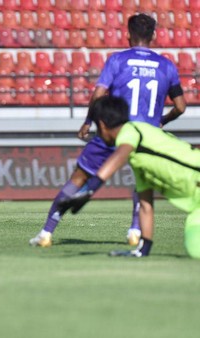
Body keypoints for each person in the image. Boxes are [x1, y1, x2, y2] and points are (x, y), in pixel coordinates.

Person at [30, 13, 186, 248]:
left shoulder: (117, 60)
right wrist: (162, 121)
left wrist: (88, 121)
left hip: (116, 131)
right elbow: (181, 106)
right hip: (148, 135)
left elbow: (99, 94)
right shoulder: (167, 65)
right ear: (154, 35)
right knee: (143, 185)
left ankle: (46, 233)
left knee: (79, 178)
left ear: (127, 35)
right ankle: (135, 231)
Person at [58, 95, 200, 258]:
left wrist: (90, 190)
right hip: (197, 207)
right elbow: (146, 205)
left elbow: (119, 156)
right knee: (195, 250)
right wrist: (143, 249)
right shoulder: (139, 158)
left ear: (103, 125)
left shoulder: (130, 131)